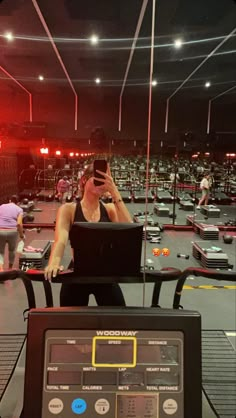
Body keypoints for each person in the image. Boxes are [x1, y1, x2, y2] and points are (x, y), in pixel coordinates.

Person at [45, 162, 132, 306]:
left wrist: (114, 191)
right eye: (98, 178)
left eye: (106, 179)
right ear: (84, 180)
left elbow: (128, 230)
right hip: (77, 274)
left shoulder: (110, 209)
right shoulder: (69, 209)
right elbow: (61, 239)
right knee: (72, 325)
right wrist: (54, 263)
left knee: (117, 321)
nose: (102, 182)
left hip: (104, 275)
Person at [0, 195, 24, 271]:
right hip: (12, 231)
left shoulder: (2, 206)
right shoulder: (19, 209)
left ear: (10, 200)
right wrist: (21, 235)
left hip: (1, 230)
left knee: (0, 252)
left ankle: (1, 270)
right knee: (11, 250)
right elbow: (19, 224)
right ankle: (10, 269)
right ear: (18, 202)